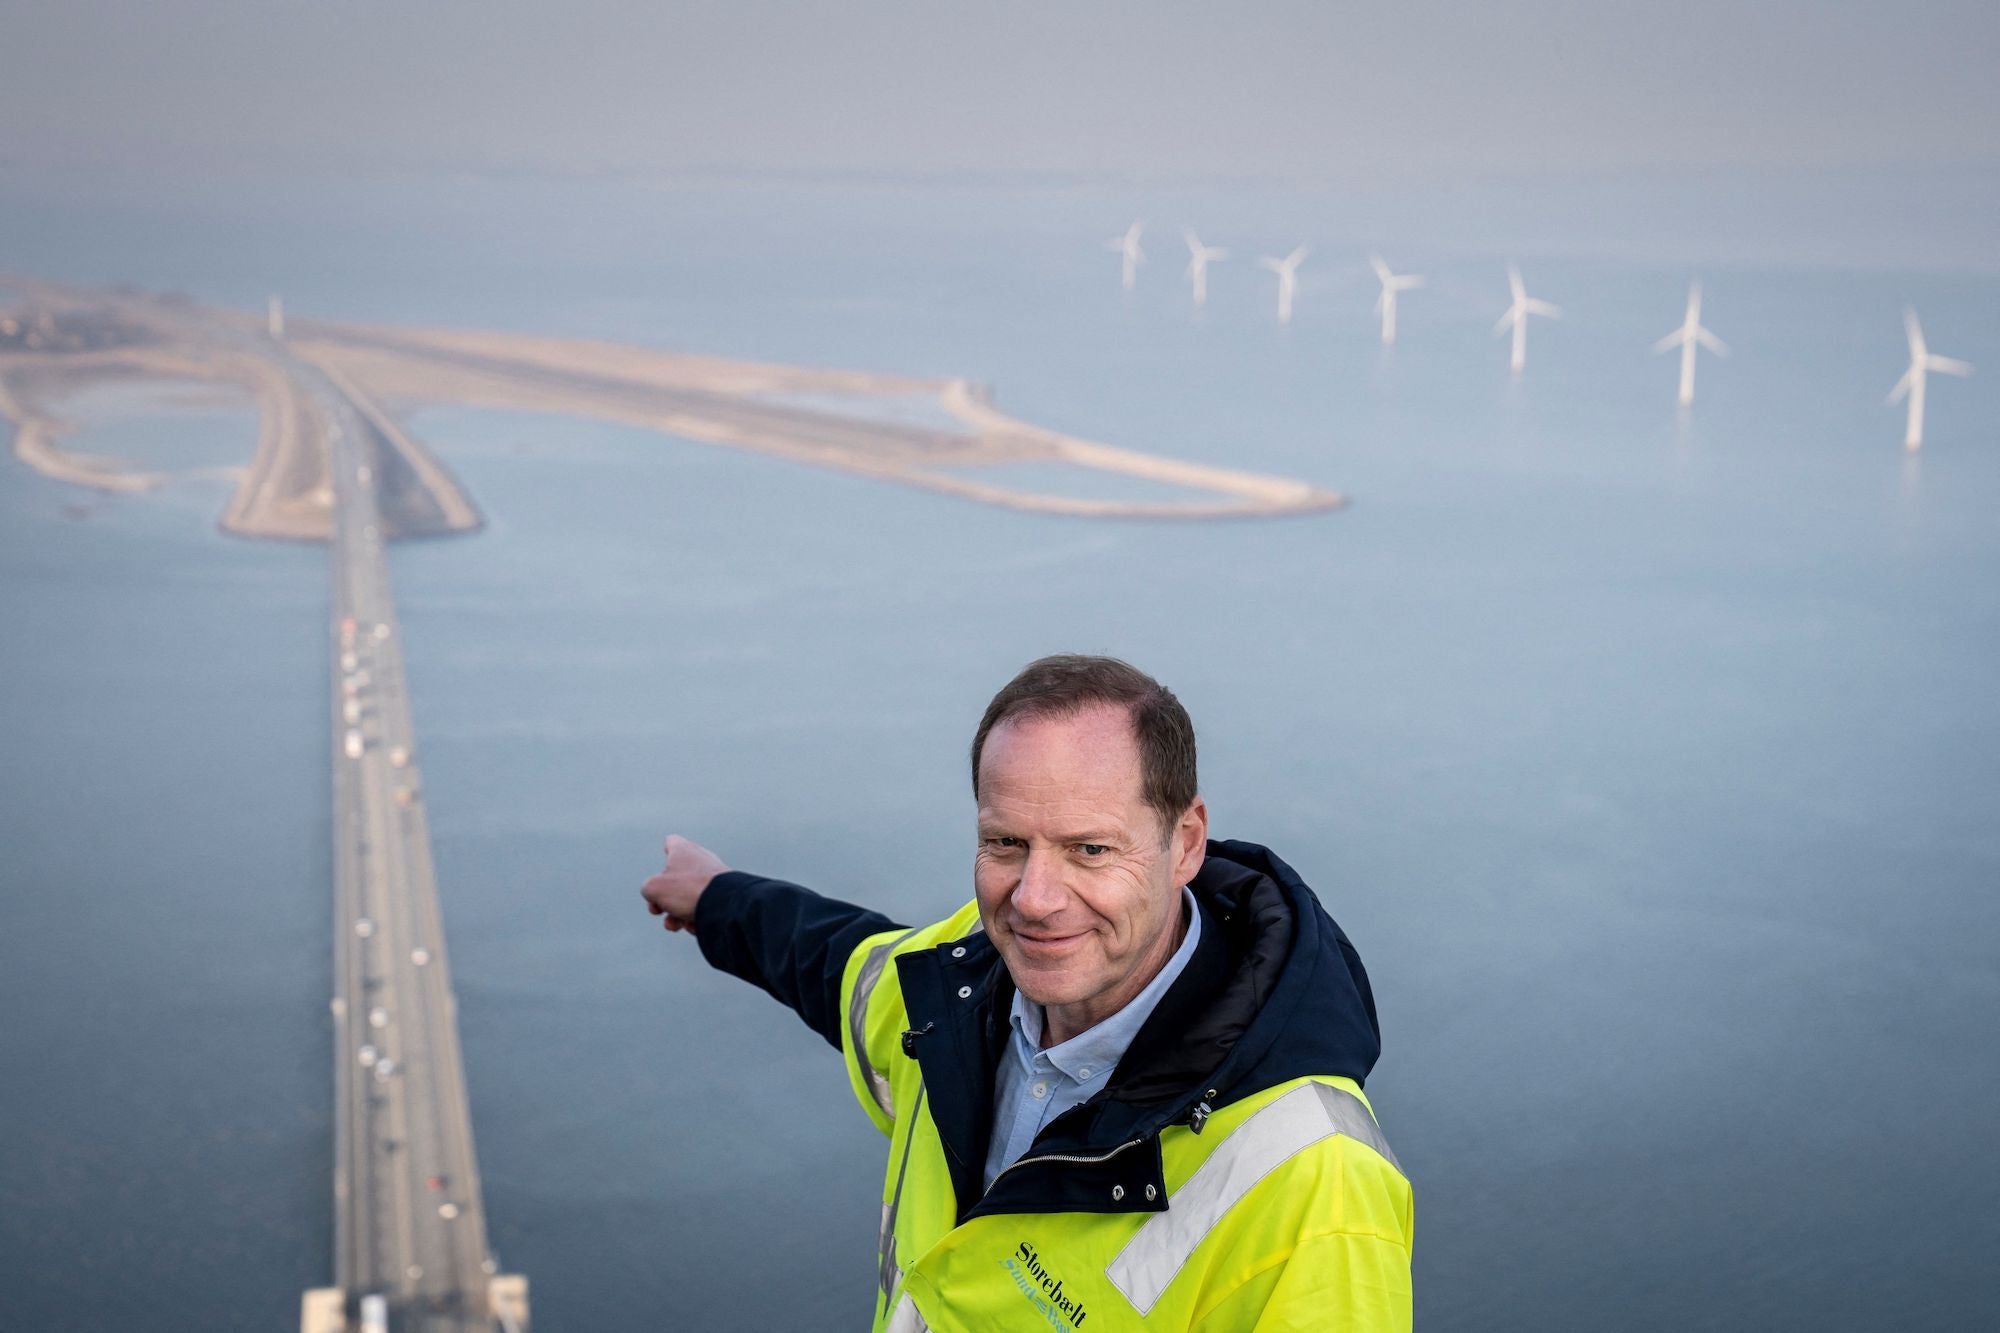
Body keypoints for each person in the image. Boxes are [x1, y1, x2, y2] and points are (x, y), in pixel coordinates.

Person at [641, 655, 1412, 1331]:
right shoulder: (951, 990)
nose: (1036, 898)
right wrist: (714, 896)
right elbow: (837, 960)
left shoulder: (1315, 1180)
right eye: (1005, 842)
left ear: (1183, 842)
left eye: (1089, 849)